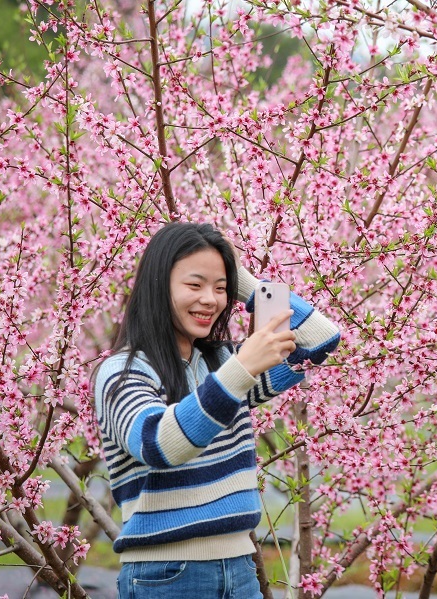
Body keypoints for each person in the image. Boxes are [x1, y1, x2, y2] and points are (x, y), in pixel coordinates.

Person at [93, 222, 340, 598]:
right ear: (158, 285)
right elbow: (160, 444)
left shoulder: (220, 362)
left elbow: (320, 340)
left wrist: (235, 274)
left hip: (240, 569)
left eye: (220, 289)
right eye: (194, 285)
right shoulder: (123, 371)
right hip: (167, 575)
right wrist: (241, 370)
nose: (210, 299)